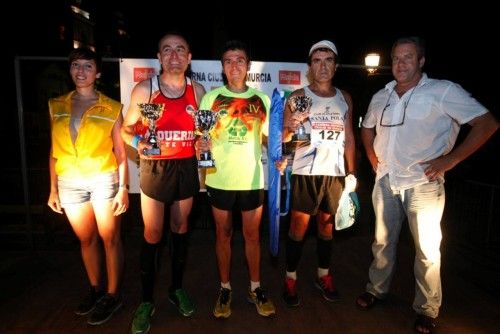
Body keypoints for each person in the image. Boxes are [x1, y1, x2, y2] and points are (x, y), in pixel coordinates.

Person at [356, 36, 498, 334]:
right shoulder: (381, 95)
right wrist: (373, 161)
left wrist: (451, 160)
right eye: (396, 58)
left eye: (408, 57)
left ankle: (427, 308)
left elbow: (487, 124)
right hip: (386, 181)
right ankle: (376, 289)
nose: (401, 63)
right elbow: (367, 129)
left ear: (421, 61)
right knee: (382, 242)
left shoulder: (443, 91)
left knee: (427, 250)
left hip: (423, 184)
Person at [121, 32, 206, 334]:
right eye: (167, 50)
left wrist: (203, 141)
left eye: (180, 49)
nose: (174, 55)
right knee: (153, 232)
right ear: (159, 57)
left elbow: (201, 131)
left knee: (180, 228)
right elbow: (125, 129)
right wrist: (137, 142)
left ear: (188, 57)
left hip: (185, 166)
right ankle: (146, 301)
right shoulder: (146, 89)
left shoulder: (197, 89)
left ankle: (176, 288)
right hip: (155, 167)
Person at [47, 47, 128, 325]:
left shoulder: (111, 106)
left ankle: (113, 294)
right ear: (70, 70)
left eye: (87, 66)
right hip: (69, 180)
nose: (81, 71)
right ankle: (95, 289)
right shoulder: (56, 104)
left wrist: (123, 188)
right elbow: (53, 151)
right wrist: (53, 189)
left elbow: (120, 151)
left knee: (110, 238)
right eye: (76, 66)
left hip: (104, 178)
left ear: (98, 73)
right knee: (86, 239)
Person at [198, 40, 276, 318]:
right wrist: (202, 145)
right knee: (223, 235)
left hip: (252, 180)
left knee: (253, 236)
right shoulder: (211, 98)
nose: (234, 65)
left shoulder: (262, 100)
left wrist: (291, 130)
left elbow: (272, 139)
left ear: (248, 66)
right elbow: (201, 137)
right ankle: (225, 288)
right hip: (219, 179)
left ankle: (255, 287)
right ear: (222, 67)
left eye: (239, 60)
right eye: (229, 60)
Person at [276, 40, 357, 307]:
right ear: (310, 66)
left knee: (326, 226)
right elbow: (286, 136)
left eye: (328, 60)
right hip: (305, 172)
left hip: (334, 174)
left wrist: (352, 172)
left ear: (335, 65)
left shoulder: (345, 97)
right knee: (299, 227)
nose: (323, 66)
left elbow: (350, 138)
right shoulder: (298, 95)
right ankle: (290, 277)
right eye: (317, 60)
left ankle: (324, 274)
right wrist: (291, 126)